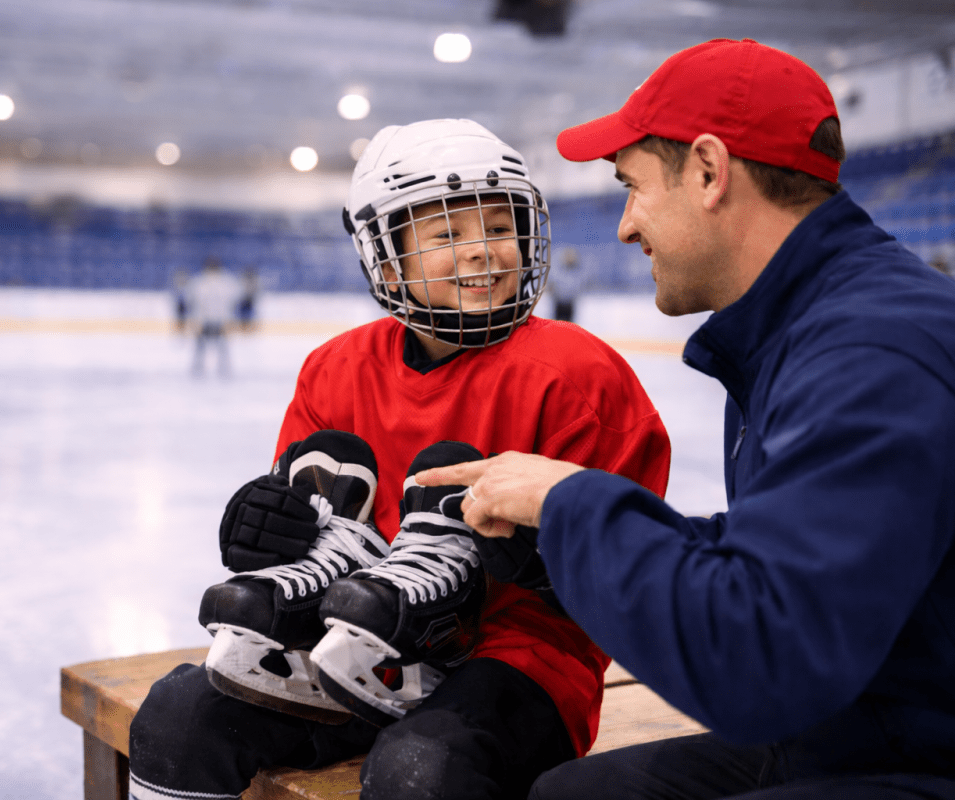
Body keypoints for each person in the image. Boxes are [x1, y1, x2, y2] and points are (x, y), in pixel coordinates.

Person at [418, 39, 955, 799]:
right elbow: (777, 563)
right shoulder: (810, 326)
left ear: (710, 172)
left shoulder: (873, 353)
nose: (623, 226)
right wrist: (564, 510)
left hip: (934, 757)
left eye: (633, 187)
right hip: (870, 726)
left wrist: (574, 505)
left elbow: (757, 664)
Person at [127, 119, 671, 800]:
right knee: (180, 717)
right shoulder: (334, 370)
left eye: (499, 227)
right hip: (346, 645)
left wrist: (545, 560)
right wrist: (270, 526)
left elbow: (633, 572)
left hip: (520, 657)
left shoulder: (580, 375)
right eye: (447, 235)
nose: (481, 252)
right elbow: (313, 525)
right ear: (386, 259)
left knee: (423, 770)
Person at [187, 257, 241, 376]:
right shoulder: (199, 282)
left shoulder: (227, 282)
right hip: (205, 320)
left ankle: (223, 369)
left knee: (222, 348)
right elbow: (194, 303)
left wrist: (229, 320)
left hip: (220, 321)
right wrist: (196, 320)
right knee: (201, 348)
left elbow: (233, 302)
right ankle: (198, 369)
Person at [546, 246, 584, 322]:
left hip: (570, 304)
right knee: (557, 326)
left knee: (570, 326)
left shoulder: (577, 272)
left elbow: (579, 288)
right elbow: (551, 285)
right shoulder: (558, 271)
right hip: (559, 303)